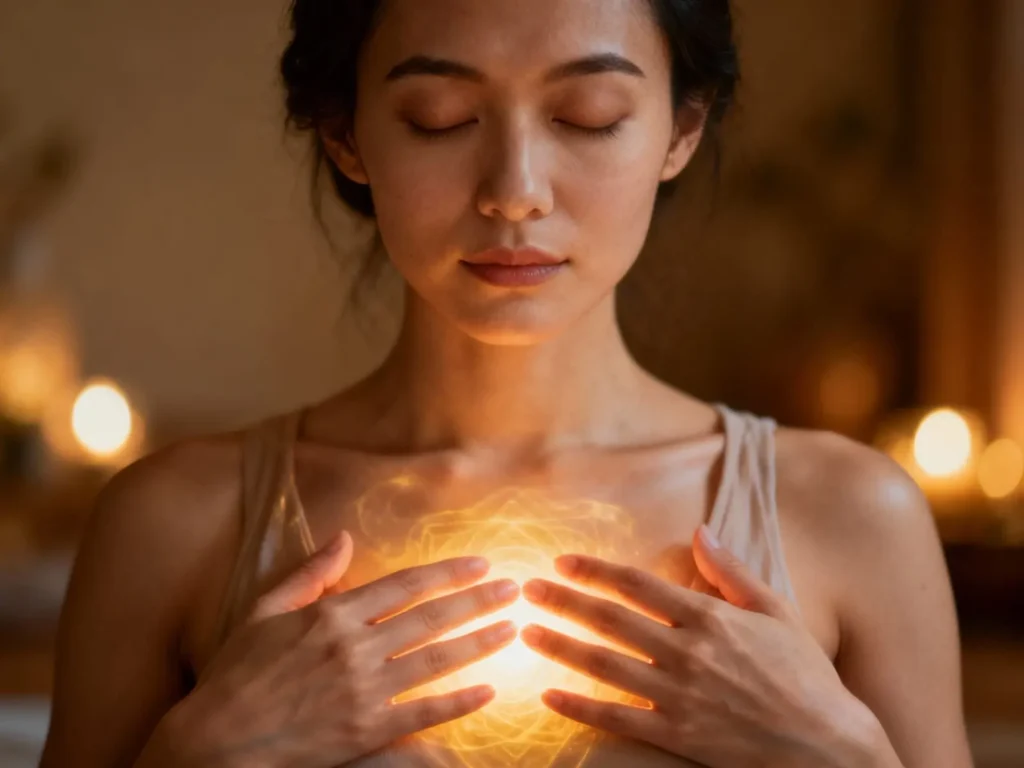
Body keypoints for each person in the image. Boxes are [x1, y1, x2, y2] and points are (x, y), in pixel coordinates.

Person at [40, 1, 973, 766]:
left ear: (681, 130)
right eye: (439, 119)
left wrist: (838, 754)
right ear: (346, 134)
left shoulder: (851, 519)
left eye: (588, 117)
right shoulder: (177, 527)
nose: (515, 189)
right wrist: (200, 757)